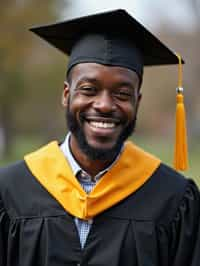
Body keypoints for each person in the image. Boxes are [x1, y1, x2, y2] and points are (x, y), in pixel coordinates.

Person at [0, 9, 200, 266]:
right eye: (89, 89)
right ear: (66, 94)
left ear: (137, 102)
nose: (105, 105)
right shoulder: (10, 192)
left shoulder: (173, 200)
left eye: (122, 94)